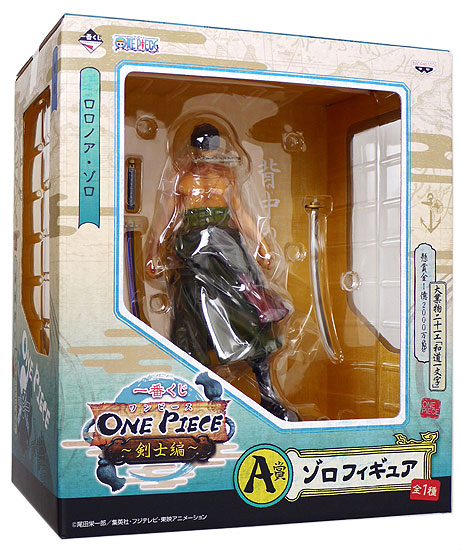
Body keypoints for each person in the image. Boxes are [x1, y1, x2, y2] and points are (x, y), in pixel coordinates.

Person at [145, 120, 295, 420]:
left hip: (227, 249)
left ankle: (268, 396)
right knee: (191, 323)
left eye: (212, 147)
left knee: (250, 314)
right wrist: (153, 249)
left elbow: (241, 214)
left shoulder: (227, 176)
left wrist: (263, 245)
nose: (208, 153)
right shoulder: (180, 177)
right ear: (194, 149)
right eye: (203, 147)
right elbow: (166, 215)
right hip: (192, 251)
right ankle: (196, 397)